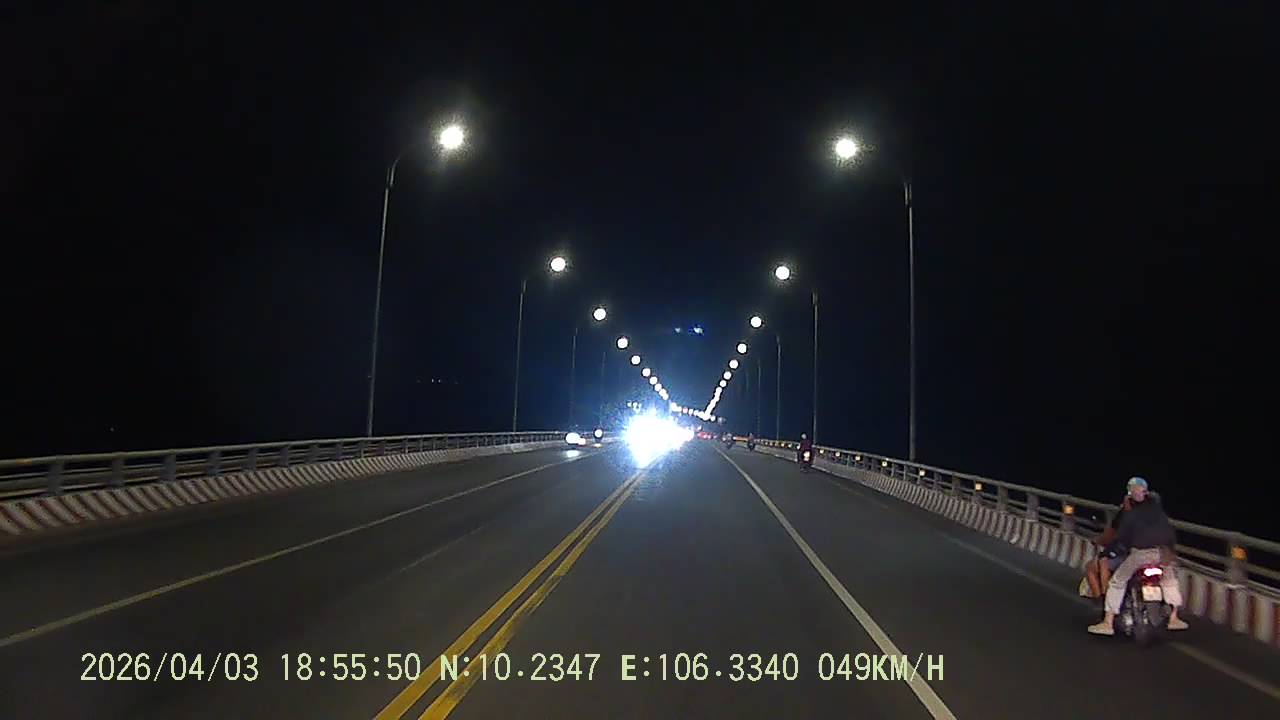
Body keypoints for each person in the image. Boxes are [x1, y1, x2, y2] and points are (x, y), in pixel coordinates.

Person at [1087, 477, 1189, 635]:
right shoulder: (1159, 513)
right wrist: (1170, 553)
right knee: (1170, 582)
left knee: (1117, 582)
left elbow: (1122, 536)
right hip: (1163, 553)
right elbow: (1170, 535)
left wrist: (1115, 548)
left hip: (1141, 554)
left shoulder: (1131, 514)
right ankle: (1174, 618)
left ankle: (1107, 623)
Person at [1083, 495, 1134, 598]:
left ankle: (1104, 597)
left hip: (1127, 556)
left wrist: (1097, 540)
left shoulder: (1123, 518)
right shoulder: (1152, 518)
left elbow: (1108, 536)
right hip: (1150, 556)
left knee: (1095, 565)